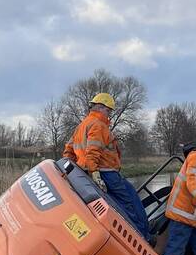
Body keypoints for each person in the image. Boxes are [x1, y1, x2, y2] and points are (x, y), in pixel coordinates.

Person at [62, 92, 151, 240]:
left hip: (92, 173)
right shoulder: (98, 125)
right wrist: (95, 172)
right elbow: (93, 152)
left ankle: (143, 233)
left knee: (128, 197)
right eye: (108, 111)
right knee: (128, 204)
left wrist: (72, 171)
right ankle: (143, 237)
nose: (109, 114)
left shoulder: (82, 125)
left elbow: (68, 151)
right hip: (106, 173)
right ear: (101, 107)